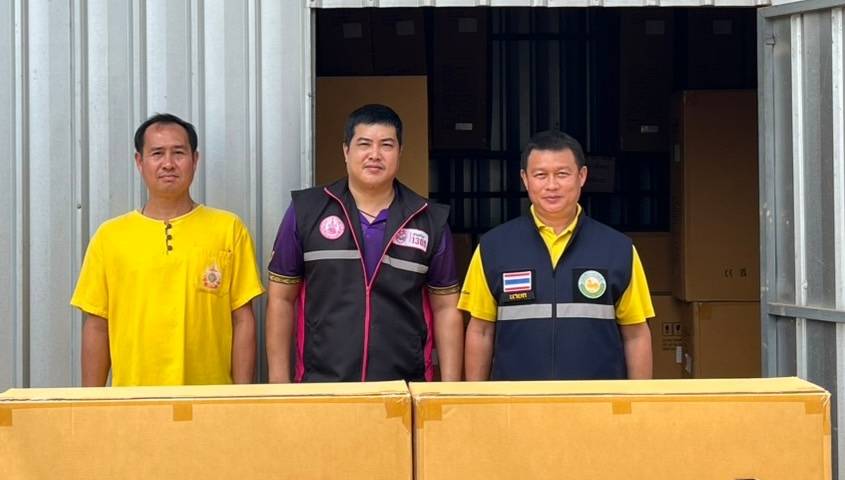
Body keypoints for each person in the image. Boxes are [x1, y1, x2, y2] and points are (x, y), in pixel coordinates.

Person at [265, 104, 463, 383]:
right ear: (346, 151)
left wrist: (448, 390)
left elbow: (446, 309)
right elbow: (280, 299)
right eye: (364, 144)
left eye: (386, 145)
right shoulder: (306, 211)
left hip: (404, 387)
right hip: (322, 385)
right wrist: (279, 384)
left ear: (400, 152)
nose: (375, 154)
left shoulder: (429, 219)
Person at [71, 113, 264, 386]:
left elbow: (242, 320)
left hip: (209, 397)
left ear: (195, 160)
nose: (168, 164)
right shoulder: (109, 237)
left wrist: (238, 398)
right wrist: (92, 402)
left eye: (179, 153)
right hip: (133, 399)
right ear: (140, 162)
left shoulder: (228, 229)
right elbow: (97, 326)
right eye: (157, 153)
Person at [460, 130, 654, 381]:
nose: (551, 185)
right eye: (540, 175)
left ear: (582, 176)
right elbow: (481, 331)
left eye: (562, 174)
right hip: (517, 401)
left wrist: (639, 400)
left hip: (597, 400)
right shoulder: (493, 247)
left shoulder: (618, 249)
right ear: (525, 179)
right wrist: (476, 398)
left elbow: (636, 334)